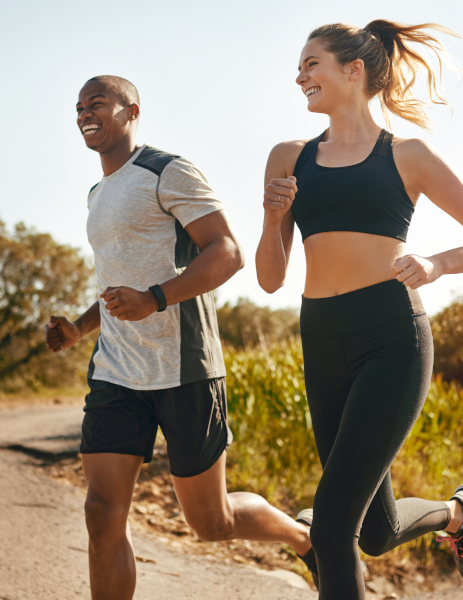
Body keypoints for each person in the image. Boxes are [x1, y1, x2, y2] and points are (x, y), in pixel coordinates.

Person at [256, 20, 463, 599]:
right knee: (373, 532)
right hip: (321, 337)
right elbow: (271, 278)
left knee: (329, 526)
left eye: (312, 64)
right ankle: (458, 514)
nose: (299, 75)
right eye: (300, 66)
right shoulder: (288, 156)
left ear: (353, 71)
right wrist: (274, 219)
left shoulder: (407, 155)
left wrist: (438, 264)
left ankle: (453, 516)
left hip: (390, 336)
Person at [45, 75, 314, 600]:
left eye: (96, 103)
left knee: (210, 523)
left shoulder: (167, 170)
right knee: (102, 515)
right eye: (78, 108)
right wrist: (79, 328)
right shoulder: (97, 193)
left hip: (185, 367)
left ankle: (306, 539)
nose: (84, 114)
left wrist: (156, 298)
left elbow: (227, 252)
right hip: (117, 370)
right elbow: (113, 283)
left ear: (131, 110)